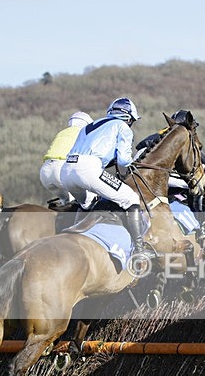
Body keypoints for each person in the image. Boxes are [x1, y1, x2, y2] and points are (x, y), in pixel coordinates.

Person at [59, 97, 155, 260]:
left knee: (87, 203)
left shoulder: (89, 126)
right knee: (131, 198)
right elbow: (124, 160)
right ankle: (139, 249)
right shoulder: (123, 127)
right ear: (128, 118)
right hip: (88, 169)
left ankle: (72, 237)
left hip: (66, 170)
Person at [134, 109, 205, 240]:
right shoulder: (183, 140)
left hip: (138, 175)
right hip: (157, 178)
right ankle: (203, 226)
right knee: (198, 184)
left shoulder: (159, 135)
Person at [40, 111, 93, 208]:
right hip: (61, 169)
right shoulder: (83, 133)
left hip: (45, 172)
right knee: (91, 199)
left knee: (66, 203)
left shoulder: (62, 133)